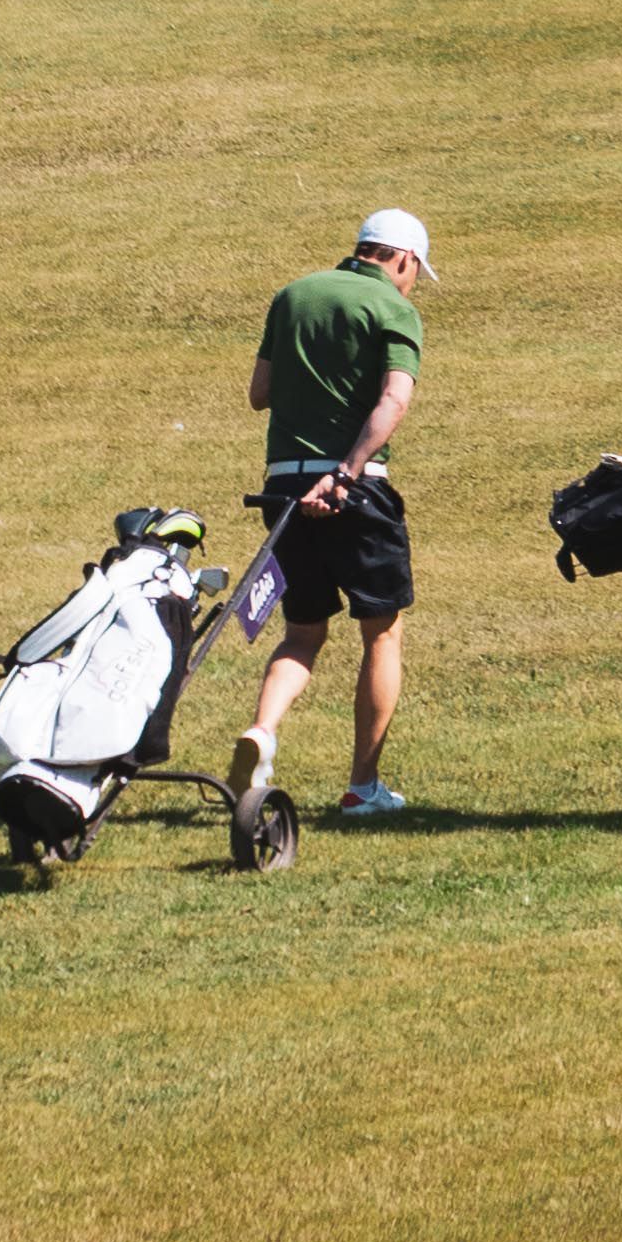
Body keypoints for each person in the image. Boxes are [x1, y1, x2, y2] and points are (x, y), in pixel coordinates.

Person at [238, 201, 432, 830]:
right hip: (355, 489)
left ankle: (263, 733)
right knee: (381, 631)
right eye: (414, 271)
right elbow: (393, 401)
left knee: (301, 632)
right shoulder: (394, 307)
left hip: (282, 489)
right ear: (401, 259)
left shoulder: (292, 296)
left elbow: (259, 394)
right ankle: (362, 786)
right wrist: (346, 471)